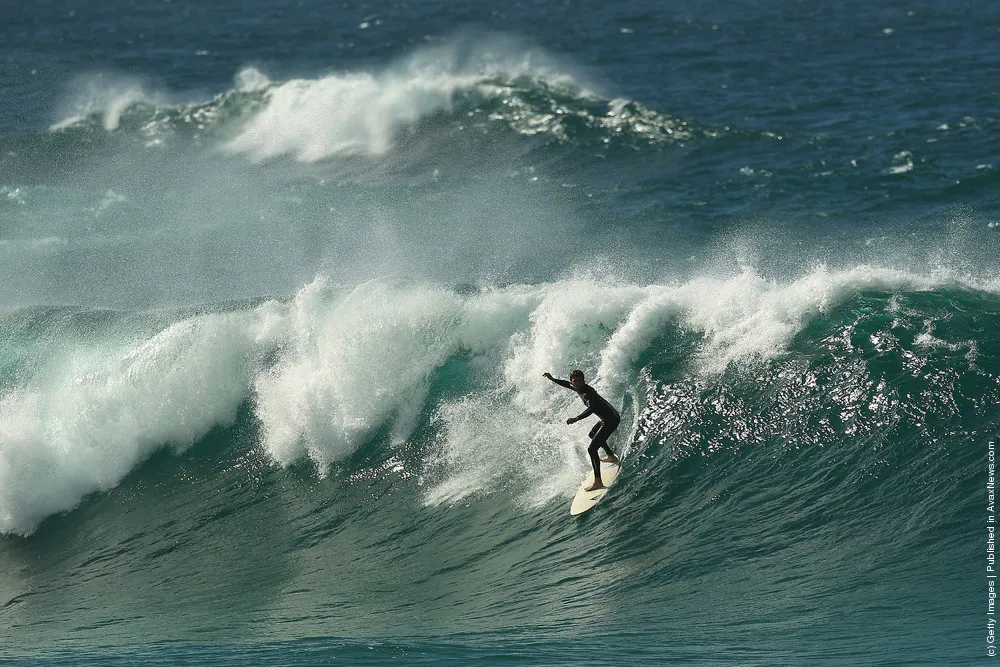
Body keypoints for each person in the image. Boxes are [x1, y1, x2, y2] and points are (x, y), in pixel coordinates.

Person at [543, 369, 620, 491]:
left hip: (611, 419)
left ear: (583, 381)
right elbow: (565, 383)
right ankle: (611, 456)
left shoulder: (587, 392)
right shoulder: (576, 387)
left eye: (579, 381)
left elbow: (592, 408)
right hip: (607, 418)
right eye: (575, 382)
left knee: (591, 449)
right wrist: (552, 379)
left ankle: (598, 482)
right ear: (572, 382)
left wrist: (576, 418)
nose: (577, 384)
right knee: (592, 434)